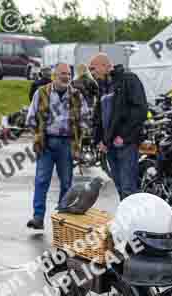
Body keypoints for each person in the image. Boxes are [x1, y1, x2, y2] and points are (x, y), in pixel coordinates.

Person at [25, 63, 89, 230]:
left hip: (66, 144)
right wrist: (38, 134)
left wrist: (81, 134)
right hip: (46, 143)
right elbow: (30, 118)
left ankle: (62, 219)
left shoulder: (76, 95)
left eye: (68, 74)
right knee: (41, 181)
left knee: (66, 183)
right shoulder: (42, 92)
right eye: (62, 73)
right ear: (54, 75)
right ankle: (38, 218)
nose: (66, 76)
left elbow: (85, 118)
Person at [89, 52, 148, 200]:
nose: (92, 73)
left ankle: (134, 223)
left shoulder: (128, 79)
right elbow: (99, 117)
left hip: (125, 144)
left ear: (105, 66)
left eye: (93, 68)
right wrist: (99, 141)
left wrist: (124, 136)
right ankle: (126, 221)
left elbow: (140, 110)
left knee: (128, 189)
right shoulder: (102, 86)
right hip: (109, 146)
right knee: (120, 188)